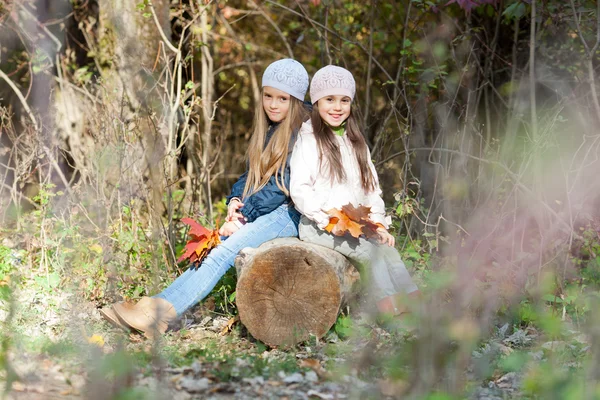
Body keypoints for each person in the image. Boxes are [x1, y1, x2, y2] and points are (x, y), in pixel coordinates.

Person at [100, 59, 311, 338]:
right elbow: (251, 175)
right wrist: (236, 201)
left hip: (289, 213)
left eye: (282, 98)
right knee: (212, 249)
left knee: (222, 251)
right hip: (268, 209)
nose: (273, 104)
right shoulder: (270, 128)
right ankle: (153, 307)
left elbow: (281, 185)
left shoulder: (302, 133)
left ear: (295, 101)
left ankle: (157, 317)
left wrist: (245, 217)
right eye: (268, 96)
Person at [289, 65, 419, 325]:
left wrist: (378, 224)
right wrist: (328, 221)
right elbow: (300, 189)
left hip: (355, 224)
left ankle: (415, 307)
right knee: (371, 255)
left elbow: (371, 189)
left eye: (344, 100)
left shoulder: (355, 141)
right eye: (329, 100)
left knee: (388, 251)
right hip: (319, 225)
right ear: (316, 102)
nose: (337, 107)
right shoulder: (309, 140)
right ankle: (393, 314)